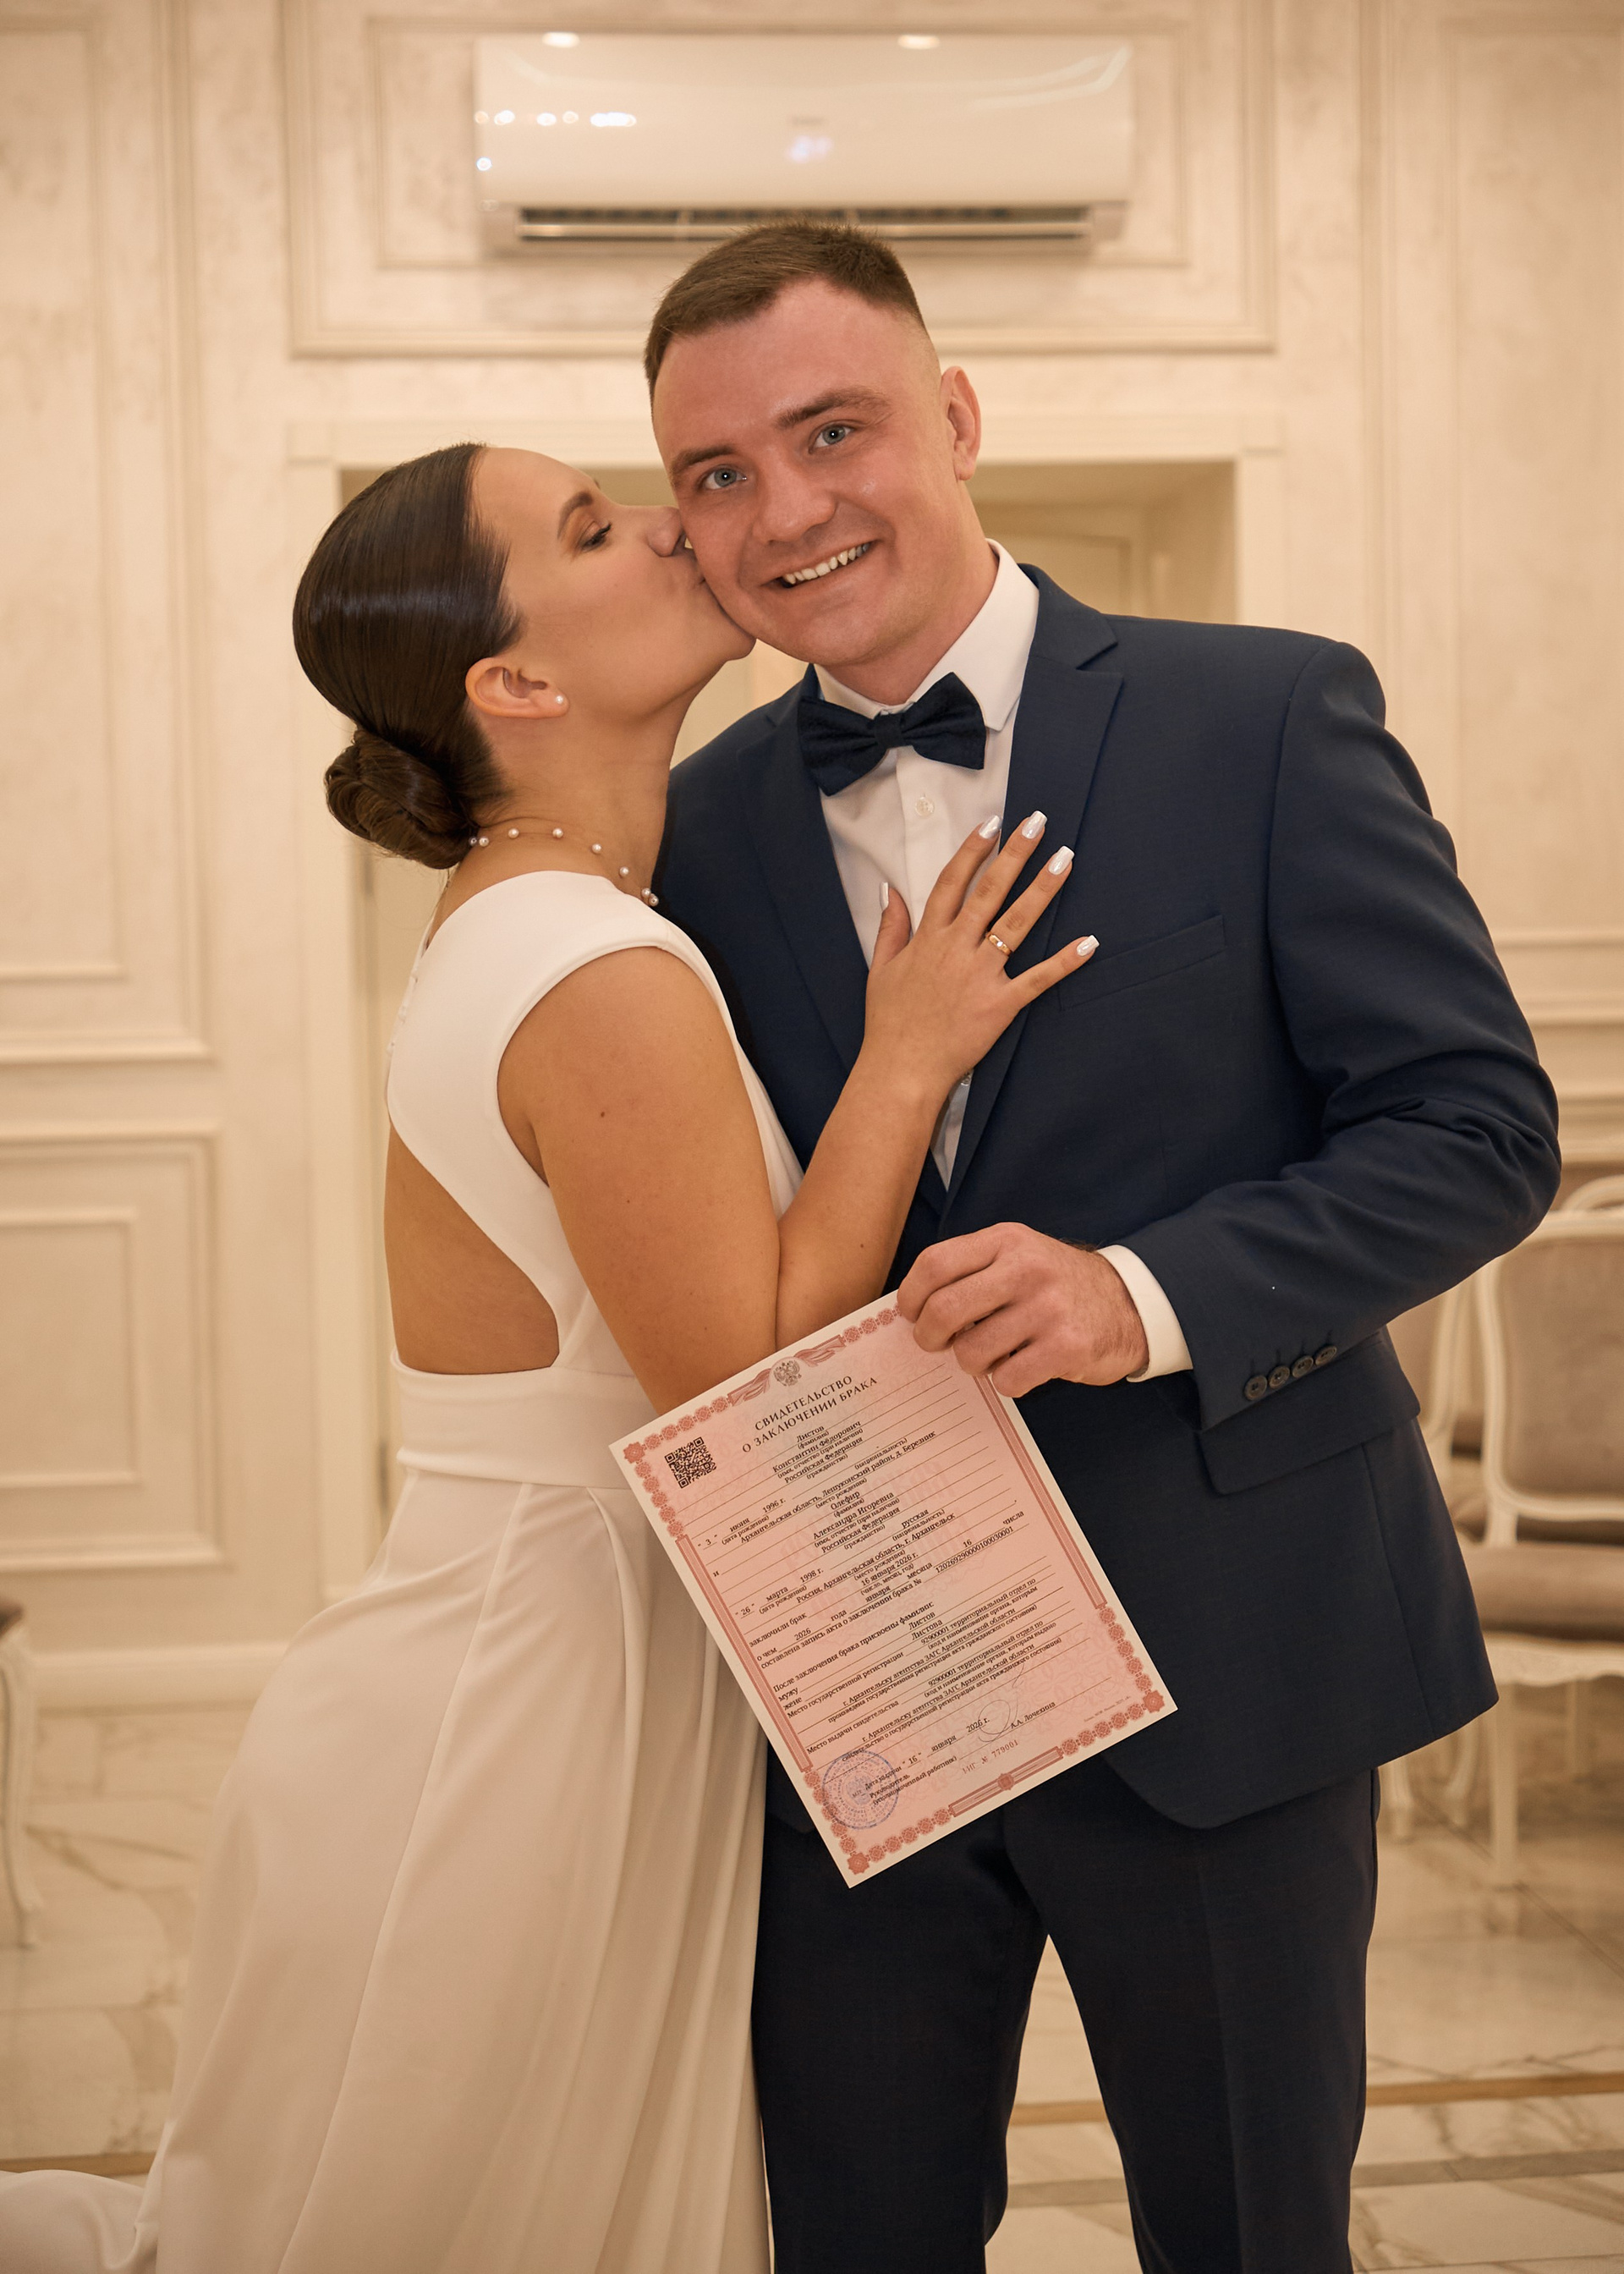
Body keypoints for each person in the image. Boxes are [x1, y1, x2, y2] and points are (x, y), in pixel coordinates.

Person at [0, 443, 1093, 2273]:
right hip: (522, 1718)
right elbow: (751, 1386)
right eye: (591, 528)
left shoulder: (550, 921)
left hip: (556, 1667)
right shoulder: (594, 965)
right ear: (511, 682)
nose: (668, 520)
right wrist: (906, 1062)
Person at [648, 222, 1562, 2274]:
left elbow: (1479, 1132)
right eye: (718, 472)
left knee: (1245, 2233)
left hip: (1233, 1656)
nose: (783, 510)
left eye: (833, 432)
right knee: (856, 2236)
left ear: (958, 419)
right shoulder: (688, 833)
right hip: (861, 1686)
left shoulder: (1265, 714)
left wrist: (1139, 1299)